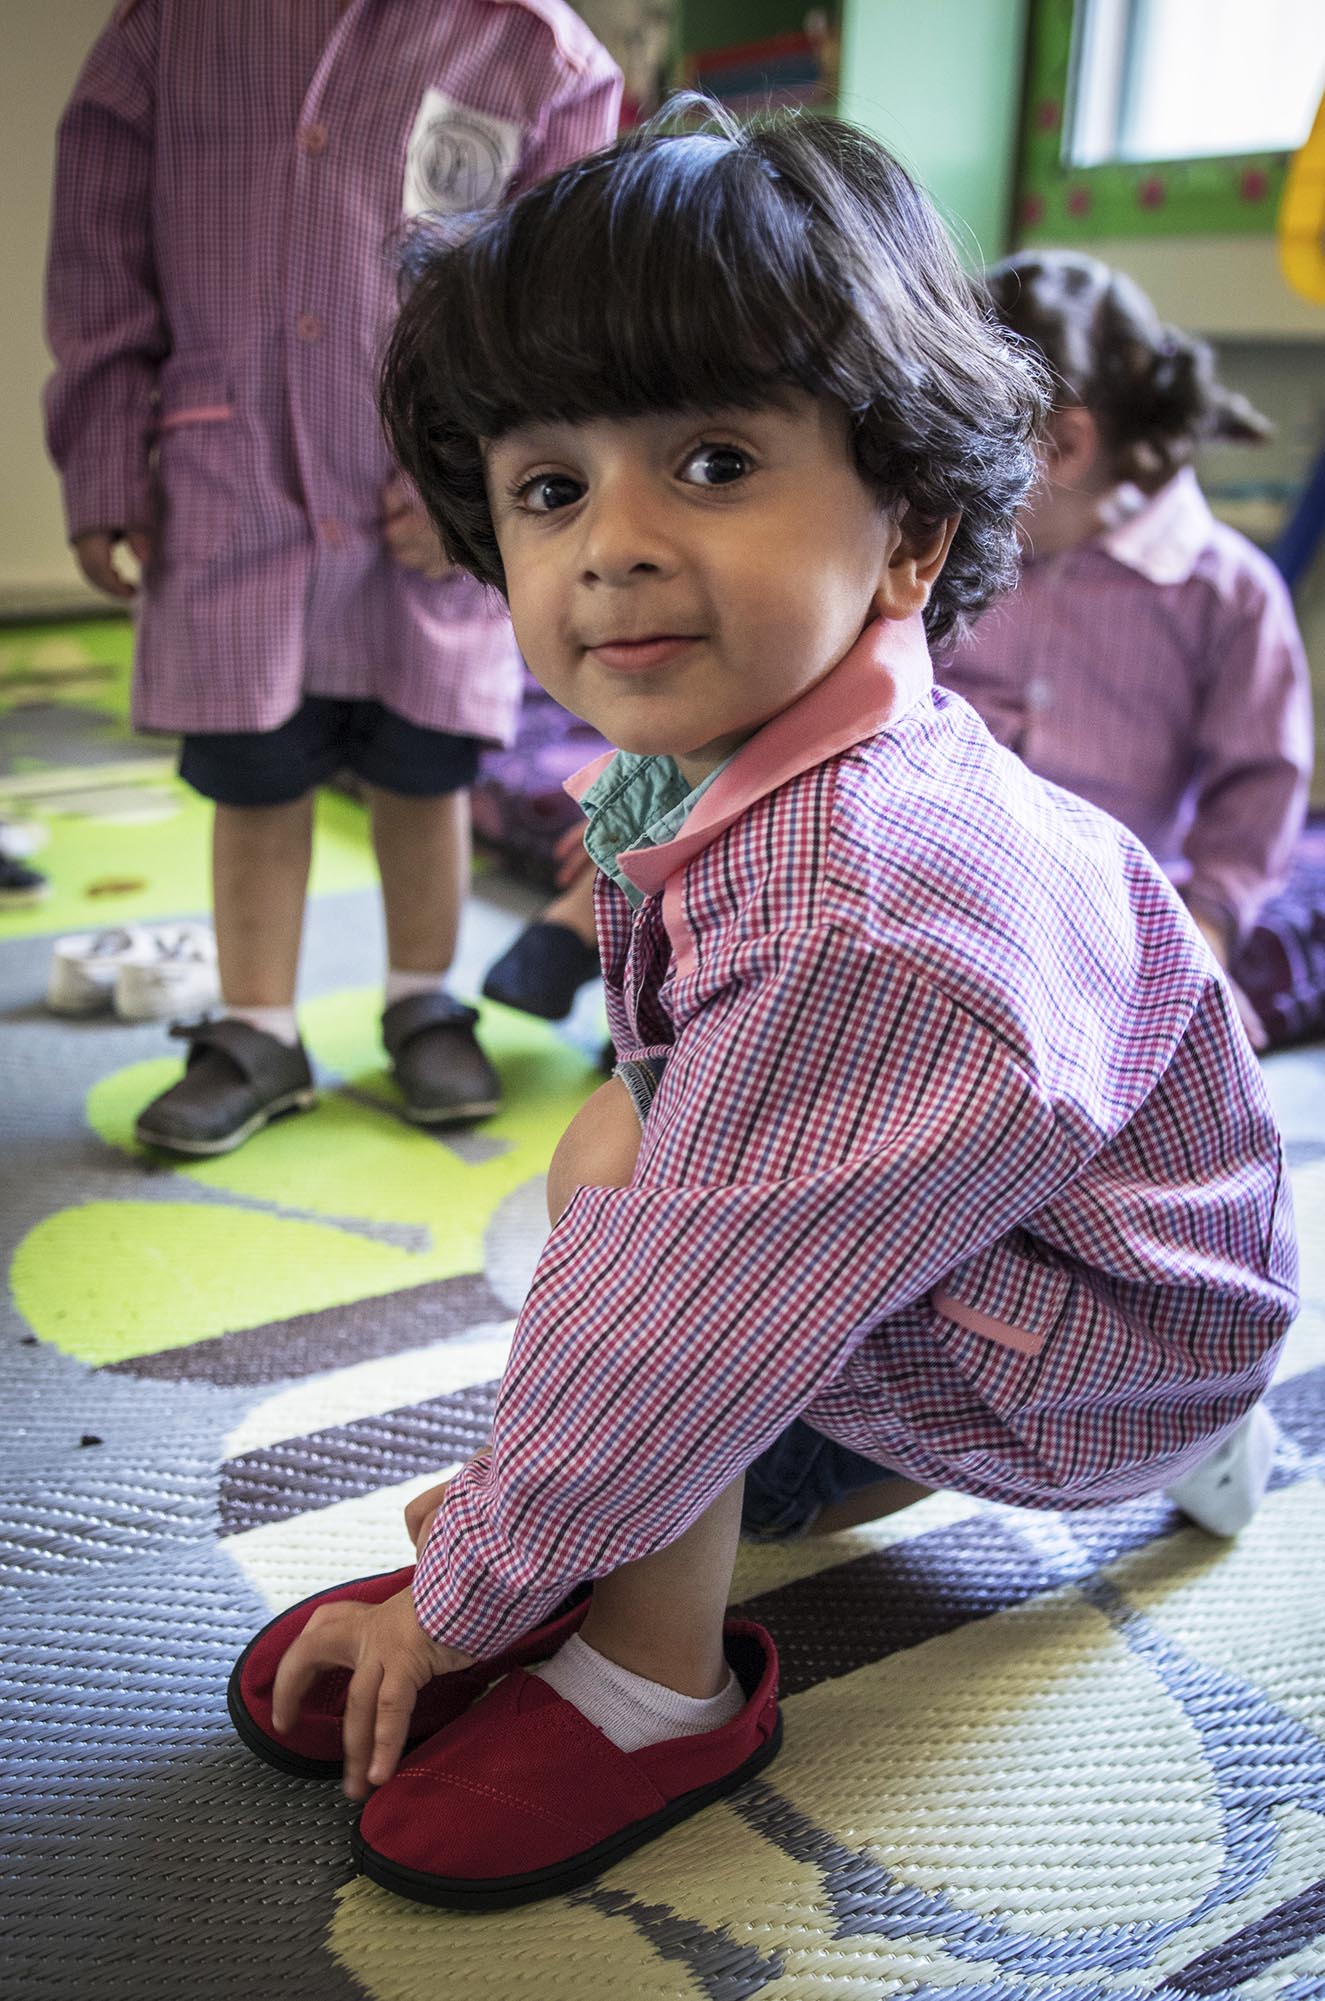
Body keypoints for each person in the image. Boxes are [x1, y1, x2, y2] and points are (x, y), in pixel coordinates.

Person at [226, 106, 1297, 1910]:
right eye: (550, 487)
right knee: (622, 1174)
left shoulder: (869, 911)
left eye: (714, 461)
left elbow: (682, 1317)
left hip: (1101, 1343)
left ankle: (658, 1683)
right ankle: (609, 1545)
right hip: (1021, 1215)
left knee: (653, 1258)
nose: (613, 545)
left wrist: (475, 1573)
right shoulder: (783, 753)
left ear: (908, 535)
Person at [44, 0, 620, 1156]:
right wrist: (105, 457)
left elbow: (572, 302)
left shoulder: (532, 46)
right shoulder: (174, 28)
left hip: (431, 499)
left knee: (422, 765)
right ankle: (256, 1028)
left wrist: (479, 477)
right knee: (253, 773)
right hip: (226, 478)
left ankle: (420, 997)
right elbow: (99, 259)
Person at [938, 251, 1314, 1048]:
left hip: (1117, 906)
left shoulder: (1223, 591)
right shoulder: (945, 554)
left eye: (967, 443)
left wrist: (1208, 921)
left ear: (1065, 447)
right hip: (949, 875)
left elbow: (1259, 781)